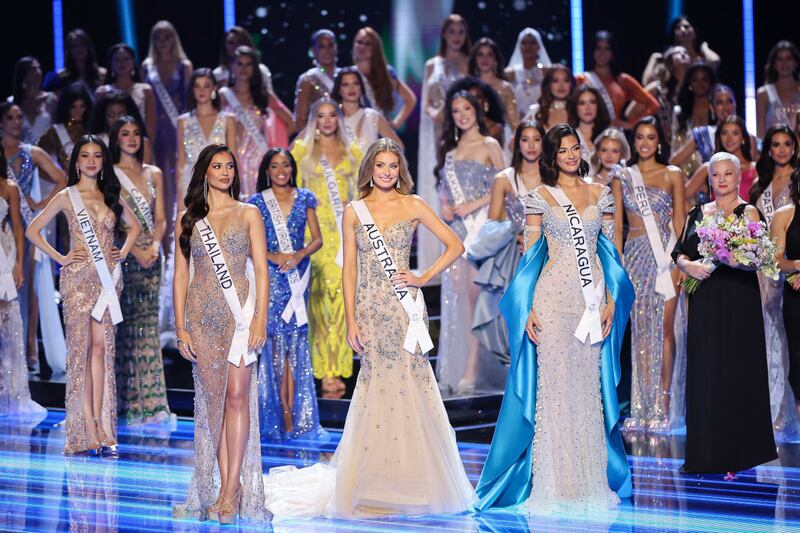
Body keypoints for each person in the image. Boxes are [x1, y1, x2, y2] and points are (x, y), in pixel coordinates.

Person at [263, 138, 476, 518]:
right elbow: (350, 269)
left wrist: (421, 276)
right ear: (370, 170)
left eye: (393, 166)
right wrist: (350, 318)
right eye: (381, 166)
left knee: (412, 385)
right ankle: (374, 478)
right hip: (370, 309)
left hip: (404, 308)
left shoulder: (413, 204)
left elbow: (455, 245)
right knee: (375, 388)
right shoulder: (354, 210)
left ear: (401, 170)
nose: (387, 172)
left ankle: (415, 478)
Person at [475, 123, 633, 513]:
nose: (570, 156)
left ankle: (588, 479)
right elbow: (529, 260)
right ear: (551, 156)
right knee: (555, 392)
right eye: (562, 150)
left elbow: (612, 253)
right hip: (552, 301)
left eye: (575, 148)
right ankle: (555, 482)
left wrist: (612, 299)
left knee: (586, 390)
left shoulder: (602, 193)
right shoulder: (539, 198)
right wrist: (526, 308)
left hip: (591, 302)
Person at [172, 144, 270, 524]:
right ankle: (221, 486)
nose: (226, 172)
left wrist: (259, 318)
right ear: (205, 172)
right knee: (213, 404)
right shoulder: (189, 219)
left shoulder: (249, 213)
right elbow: (181, 276)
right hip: (202, 317)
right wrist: (181, 327)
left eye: (230, 166)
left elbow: (261, 270)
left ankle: (230, 489)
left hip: (240, 316)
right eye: (218, 166)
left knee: (236, 398)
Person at [26, 135, 141, 454]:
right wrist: (61, 257)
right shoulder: (66, 195)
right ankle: (85, 428)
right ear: (76, 162)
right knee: (82, 351)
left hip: (106, 282)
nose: (91, 161)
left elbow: (134, 228)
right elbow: (32, 230)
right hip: (77, 282)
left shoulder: (110, 194)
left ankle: (103, 427)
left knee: (102, 350)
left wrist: (123, 251)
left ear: (103, 161)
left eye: (97, 156)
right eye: (85, 156)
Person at [673, 152, 777, 476]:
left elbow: (759, 258)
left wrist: (731, 259)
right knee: (706, 372)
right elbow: (679, 251)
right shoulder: (697, 212)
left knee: (738, 371)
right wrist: (688, 265)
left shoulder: (749, 212)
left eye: (727, 174)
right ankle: (706, 452)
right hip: (704, 302)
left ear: (737, 177)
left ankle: (740, 452)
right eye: (715, 174)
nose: (721, 180)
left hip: (738, 302)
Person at [248, 148, 326, 442]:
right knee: (274, 348)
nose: (281, 170)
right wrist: (274, 255)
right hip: (271, 276)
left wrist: (299, 254)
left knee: (296, 344)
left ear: (292, 168)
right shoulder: (256, 203)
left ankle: (298, 415)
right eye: (274, 166)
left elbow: (317, 239)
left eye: (286, 165)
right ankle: (278, 416)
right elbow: (250, 243)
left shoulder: (305, 197)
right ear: (266, 171)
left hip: (297, 277)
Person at [615, 116, 685, 431]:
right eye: (640, 137)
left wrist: (681, 262)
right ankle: (642, 406)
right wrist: (615, 267)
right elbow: (617, 227)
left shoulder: (673, 174)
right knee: (640, 333)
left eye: (651, 137)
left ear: (659, 142)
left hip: (666, 259)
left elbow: (681, 223)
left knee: (664, 332)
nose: (645, 143)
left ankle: (664, 403)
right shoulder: (622, 177)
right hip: (634, 258)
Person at [435, 90, 506, 394]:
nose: (462, 115)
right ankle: (461, 366)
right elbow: (444, 194)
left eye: (466, 108)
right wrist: (446, 207)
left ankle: (475, 366)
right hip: (458, 231)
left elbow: (507, 186)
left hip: (481, 231)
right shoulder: (449, 151)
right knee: (459, 300)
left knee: (479, 299)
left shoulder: (490, 145)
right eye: (455, 110)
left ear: (477, 110)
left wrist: (475, 204)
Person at [290, 98, 362, 392]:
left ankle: (339, 367)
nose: (328, 120)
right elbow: (291, 194)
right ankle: (321, 368)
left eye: (333, 115)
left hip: (344, 235)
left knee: (343, 300)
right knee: (318, 300)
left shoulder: (353, 152)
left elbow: (361, 194)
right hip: (314, 236)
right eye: (321, 116)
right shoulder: (301, 152)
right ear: (314, 121)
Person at [109, 117, 172, 426]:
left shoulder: (154, 174)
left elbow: (161, 218)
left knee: (148, 327)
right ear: (116, 139)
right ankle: (127, 400)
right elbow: (112, 223)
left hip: (152, 256)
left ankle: (153, 401)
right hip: (124, 256)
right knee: (127, 328)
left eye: (136, 133)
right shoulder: (111, 175)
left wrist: (156, 246)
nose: (131, 139)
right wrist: (135, 250)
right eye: (125, 134)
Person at [470, 120, 544, 366]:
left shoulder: (552, 177)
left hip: (548, 256)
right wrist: (515, 231)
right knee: (516, 322)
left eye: (536, 139)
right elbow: (491, 226)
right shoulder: (504, 178)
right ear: (517, 143)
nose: (531, 145)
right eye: (525, 139)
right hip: (515, 259)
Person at [1, 101, 67, 375]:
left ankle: (30, 348)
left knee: (32, 288)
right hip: (3, 232)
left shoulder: (32, 153)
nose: (17, 122)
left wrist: (40, 204)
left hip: (26, 226)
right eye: (10, 117)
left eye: (19, 117)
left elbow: (62, 179)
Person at [750, 124, 800, 440]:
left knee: (789, 340)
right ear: (769, 149)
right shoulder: (759, 186)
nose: (781, 150)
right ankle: (774, 407)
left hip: (789, 266)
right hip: (766, 268)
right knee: (770, 336)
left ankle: (789, 408)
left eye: (787, 144)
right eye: (776, 144)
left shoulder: (797, 183)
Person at [417, 14, 470, 272]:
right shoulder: (432, 64)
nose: (457, 36)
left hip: (463, 132)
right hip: (440, 133)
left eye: (461, 31)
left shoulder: (470, 62)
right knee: (440, 188)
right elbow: (426, 101)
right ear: (445, 35)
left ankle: (463, 252)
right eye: (452, 31)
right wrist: (437, 114)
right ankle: (438, 259)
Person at [0, 150, 46, 417]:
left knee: (8, 324)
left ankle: (10, 389)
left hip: (4, 256)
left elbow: (18, 226)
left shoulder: (9, 187)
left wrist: (18, 264)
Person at [221, 46, 294, 197]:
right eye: (239, 64)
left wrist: (274, 142)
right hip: (231, 158)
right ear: (232, 66)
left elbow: (291, 122)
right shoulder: (223, 96)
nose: (244, 68)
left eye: (248, 64)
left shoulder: (263, 95)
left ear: (255, 68)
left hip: (257, 159)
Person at [142, 20, 193, 225]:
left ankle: (182, 226)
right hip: (154, 131)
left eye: (166, 36)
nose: (162, 41)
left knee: (180, 179)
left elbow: (191, 100)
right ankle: (162, 232)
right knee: (158, 181)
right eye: (158, 37)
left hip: (177, 129)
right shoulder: (147, 67)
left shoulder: (184, 66)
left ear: (174, 39)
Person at [177, 68, 236, 209]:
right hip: (191, 184)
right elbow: (180, 163)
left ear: (214, 88)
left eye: (206, 85)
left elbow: (232, 159)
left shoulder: (227, 119)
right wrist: (180, 202)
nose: (201, 90)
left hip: (220, 182)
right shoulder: (183, 121)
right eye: (197, 86)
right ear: (192, 90)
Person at [576, 31, 660, 129]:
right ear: (592, 51)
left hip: (614, 136)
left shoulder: (623, 80)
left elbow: (654, 105)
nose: (602, 53)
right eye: (598, 48)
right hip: (588, 135)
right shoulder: (582, 79)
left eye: (607, 48)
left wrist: (632, 125)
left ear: (613, 53)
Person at [351, 26, 417, 129]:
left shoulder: (386, 73)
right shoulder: (348, 75)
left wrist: (396, 123)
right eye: (359, 42)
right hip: (356, 135)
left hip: (381, 135)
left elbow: (410, 99)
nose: (362, 46)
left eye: (368, 43)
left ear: (375, 48)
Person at [771, 167, 800, 400]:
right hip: (795, 296)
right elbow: (777, 261)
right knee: (798, 364)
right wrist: (798, 265)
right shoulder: (784, 215)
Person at [685, 115, 757, 203]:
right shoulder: (708, 168)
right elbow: (680, 197)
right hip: (716, 216)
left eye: (735, 133)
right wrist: (698, 215)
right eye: (724, 133)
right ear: (719, 137)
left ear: (743, 138)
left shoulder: (755, 169)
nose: (729, 139)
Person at [96, 44, 157, 142]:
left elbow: (150, 128)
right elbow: (99, 124)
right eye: (117, 60)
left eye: (126, 59)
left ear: (133, 62)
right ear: (110, 64)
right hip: (110, 144)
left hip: (138, 144)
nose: (121, 63)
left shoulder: (145, 90)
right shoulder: (102, 92)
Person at [332, 67, 402, 154]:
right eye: (345, 84)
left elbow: (399, 146)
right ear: (338, 89)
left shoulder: (372, 116)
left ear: (361, 87)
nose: (351, 88)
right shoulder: (333, 118)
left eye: (356, 83)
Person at [672, 63, 716, 179]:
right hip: (684, 176)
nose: (700, 84)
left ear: (711, 82)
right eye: (695, 80)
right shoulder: (679, 113)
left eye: (705, 80)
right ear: (689, 83)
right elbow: (675, 147)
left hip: (713, 175)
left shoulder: (718, 111)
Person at [589, 127, 629, 254]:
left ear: (621, 154)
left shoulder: (630, 183)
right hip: (596, 246)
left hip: (627, 246)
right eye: (604, 150)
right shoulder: (587, 183)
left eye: (615, 151)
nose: (609, 156)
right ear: (598, 153)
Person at [38, 82, 93, 171]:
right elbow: (38, 159)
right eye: (73, 107)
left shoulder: (93, 129)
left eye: (82, 106)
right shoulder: (55, 132)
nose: (78, 111)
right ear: (66, 107)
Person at [294, 29, 341, 132]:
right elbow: (300, 120)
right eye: (321, 47)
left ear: (336, 48)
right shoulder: (308, 79)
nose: (327, 50)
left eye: (330, 45)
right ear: (313, 51)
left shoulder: (346, 76)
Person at [469, 37, 518, 133]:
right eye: (480, 55)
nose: (485, 59)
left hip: (500, 137)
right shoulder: (469, 87)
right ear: (475, 59)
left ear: (495, 59)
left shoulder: (505, 88)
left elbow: (513, 120)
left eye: (489, 55)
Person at [87, 89, 151, 162]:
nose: (117, 119)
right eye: (111, 115)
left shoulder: (142, 142)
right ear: (104, 116)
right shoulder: (96, 142)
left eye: (121, 115)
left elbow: (148, 171)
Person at [505, 28, 552, 122]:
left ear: (539, 46)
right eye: (524, 43)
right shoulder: (510, 73)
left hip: (542, 120)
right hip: (517, 122)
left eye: (532, 43)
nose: (528, 46)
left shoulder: (548, 72)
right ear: (519, 46)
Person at [43, 29, 107, 97]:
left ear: (88, 47)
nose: (79, 48)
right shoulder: (61, 76)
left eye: (82, 44)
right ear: (69, 50)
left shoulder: (102, 74)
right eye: (74, 46)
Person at [757, 40, 800, 139]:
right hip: (774, 152)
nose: (784, 63)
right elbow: (760, 135)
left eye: (788, 58)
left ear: (795, 63)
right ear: (774, 64)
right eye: (780, 59)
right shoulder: (763, 94)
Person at [11, 57, 58, 144]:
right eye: (33, 69)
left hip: (47, 154)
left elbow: (59, 129)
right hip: (20, 155)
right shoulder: (12, 103)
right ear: (23, 75)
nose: (38, 72)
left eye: (39, 68)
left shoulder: (51, 99)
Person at [567, 85, 611, 163]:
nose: (588, 108)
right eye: (582, 103)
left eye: (592, 102)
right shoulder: (568, 137)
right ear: (575, 107)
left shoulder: (609, 135)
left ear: (598, 106)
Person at [526, 65, 575, 131]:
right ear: (548, 85)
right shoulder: (536, 112)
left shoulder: (579, 111)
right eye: (555, 81)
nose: (561, 85)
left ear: (571, 84)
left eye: (566, 80)